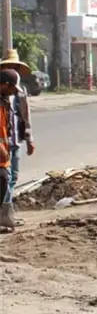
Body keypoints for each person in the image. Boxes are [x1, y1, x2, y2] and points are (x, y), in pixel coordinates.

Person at [0, 51, 34, 229]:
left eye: (15, 67)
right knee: (4, 179)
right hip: (3, 145)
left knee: (12, 178)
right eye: (9, 66)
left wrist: (29, 138)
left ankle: (7, 214)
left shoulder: (18, 91)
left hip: (14, 141)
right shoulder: (3, 93)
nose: (13, 69)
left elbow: (25, 115)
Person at [0, 69, 18, 230]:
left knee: (4, 181)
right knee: (3, 180)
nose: (13, 92)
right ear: (5, 84)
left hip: (3, 154)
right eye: (12, 87)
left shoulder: (4, 100)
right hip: (1, 153)